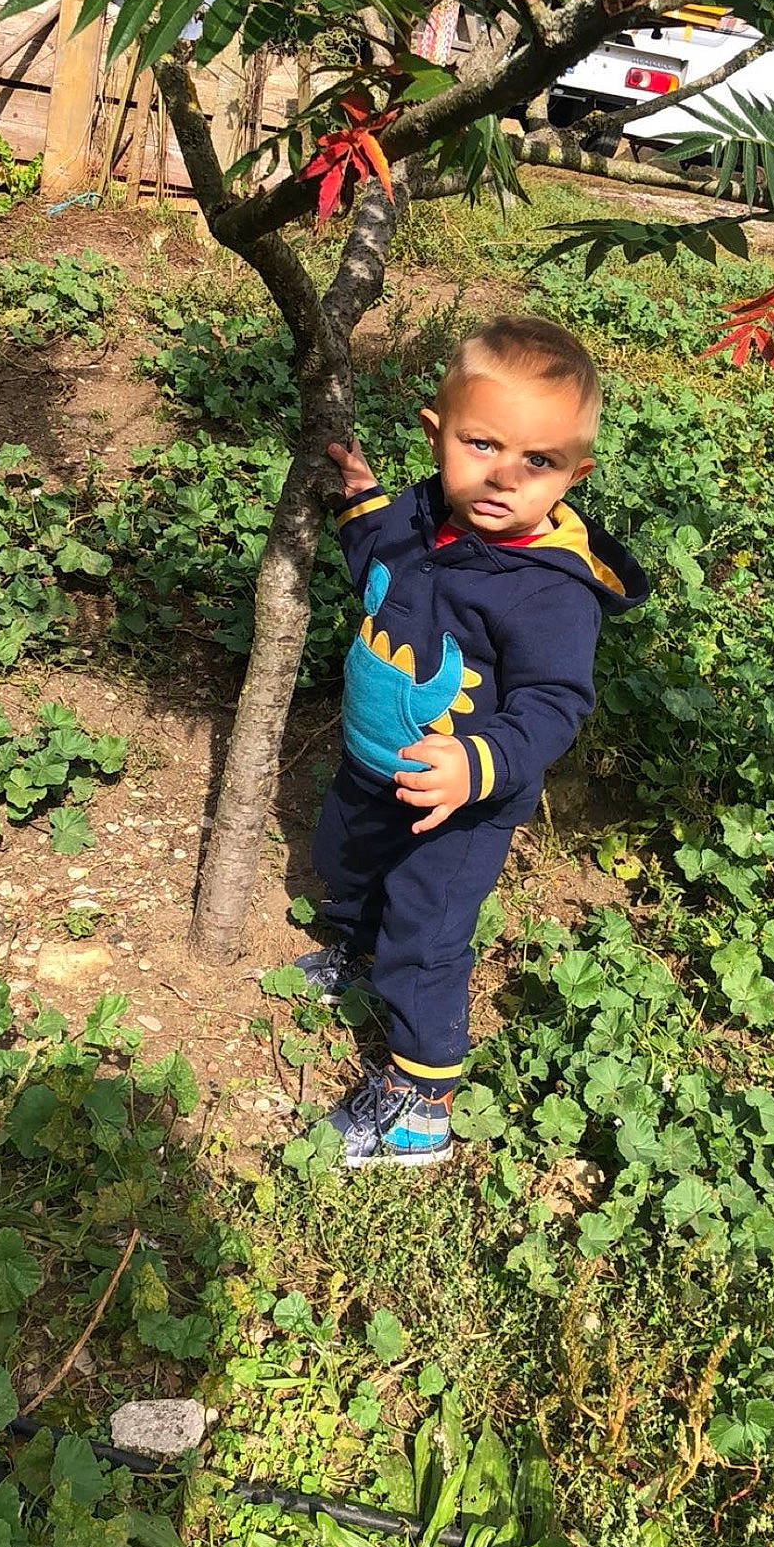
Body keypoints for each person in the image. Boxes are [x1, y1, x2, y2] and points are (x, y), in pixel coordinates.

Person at [296, 314, 648, 1166]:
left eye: (540, 461)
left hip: (462, 804)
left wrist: (475, 763)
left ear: (575, 474)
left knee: (427, 934)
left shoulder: (549, 591)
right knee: (345, 856)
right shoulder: (425, 513)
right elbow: (381, 561)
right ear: (437, 433)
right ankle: (358, 947)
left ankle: (421, 1103)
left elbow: (555, 704)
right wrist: (360, 498)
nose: (503, 475)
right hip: (375, 765)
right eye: (481, 443)